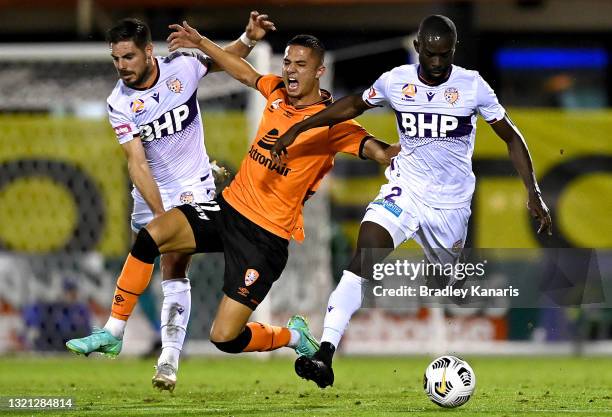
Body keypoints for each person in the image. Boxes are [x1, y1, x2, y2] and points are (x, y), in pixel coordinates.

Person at [66, 22, 399, 388]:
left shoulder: (334, 124)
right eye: (287, 62)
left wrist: (403, 150)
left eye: (300, 64)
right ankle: (114, 331)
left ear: (319, 71)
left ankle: (292, 337)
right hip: (228, 209)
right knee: (151, 236)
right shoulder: (274, 91)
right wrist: (200, 41)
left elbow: (379, 151)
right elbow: (243, 71)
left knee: (225, 337)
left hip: (265, 239)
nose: (289, 69)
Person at [271, 14, 553, 388]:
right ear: (418, 47)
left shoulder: (472, 86)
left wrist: (533, 192)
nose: (437, 63)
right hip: (405, 189)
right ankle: (325, 352)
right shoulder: (395, 81)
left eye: (444, 55)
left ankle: (438, 275)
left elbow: (512, 137)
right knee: (364, 255)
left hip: (451, 206)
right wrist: (299, 126)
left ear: (454, 50)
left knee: (440, 281)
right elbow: (354, 104)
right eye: (430, 54)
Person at [65, 12, 276, 392]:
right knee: (163, 268)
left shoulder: (183, 66)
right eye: (115, 59)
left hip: (193, 188)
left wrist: (249, 36)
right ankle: (150, 351)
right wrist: (162, 215)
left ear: (148, 52)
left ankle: (165, 357)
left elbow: (224, 60)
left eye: (128, 57)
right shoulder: (119, 102)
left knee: (174, 265)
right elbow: (137, 162)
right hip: (151, 194)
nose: (121, 67)